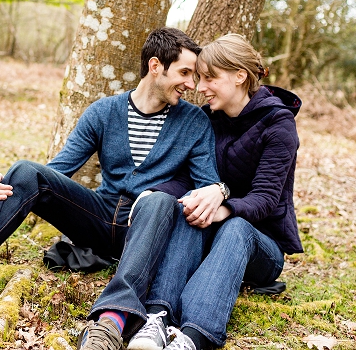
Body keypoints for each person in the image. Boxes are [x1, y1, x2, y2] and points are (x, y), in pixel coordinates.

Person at [0, 27, 226, 325]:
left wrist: (217, 193)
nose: (191, 84)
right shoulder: (103, 112)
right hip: (99, 217)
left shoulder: (194, 123)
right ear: (156, 66)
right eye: (185, 73)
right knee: (25, 171)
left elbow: (206, 184)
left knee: (157, 201)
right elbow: (56, 170)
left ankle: (114, 318)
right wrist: (6, 182)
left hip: (148, 225)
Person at [111, 34, 304, 350]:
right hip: (212, 234)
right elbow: (187, 178)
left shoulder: (278, 124)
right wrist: (152, 194)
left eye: (210, 78)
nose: (200, 88)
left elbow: (267, 198)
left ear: (240, 76)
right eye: (199, 79)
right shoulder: (209, 121)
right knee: (192, 206)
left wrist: (224, 207)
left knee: (236, 226)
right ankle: (157, 318)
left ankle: (196, 335)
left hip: (262, 245)